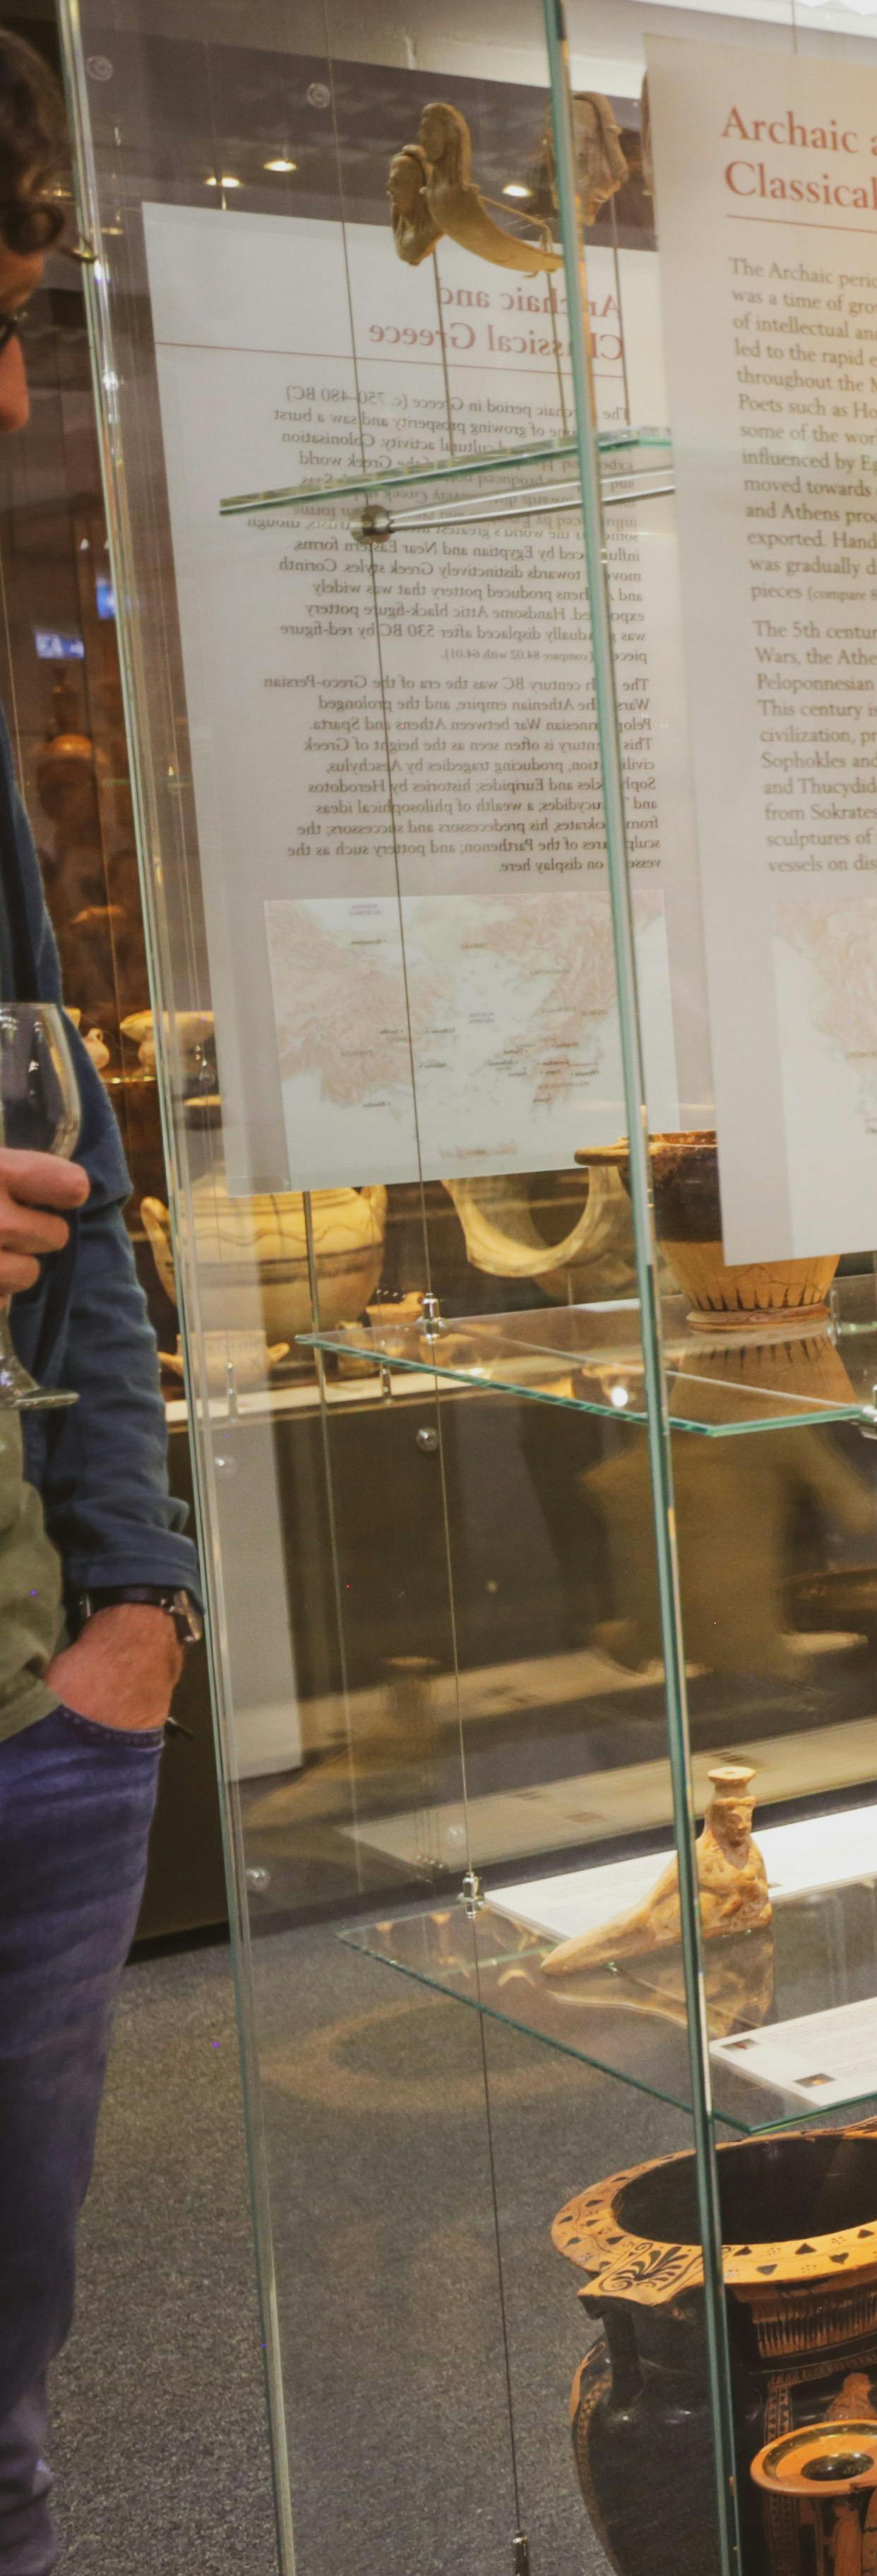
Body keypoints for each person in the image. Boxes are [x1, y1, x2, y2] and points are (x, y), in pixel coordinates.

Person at [0, 34, 201, 2576]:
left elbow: (79, 1161)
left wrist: (134, 1606)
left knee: (7, 2420)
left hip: (45, 1716)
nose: (28, 388)